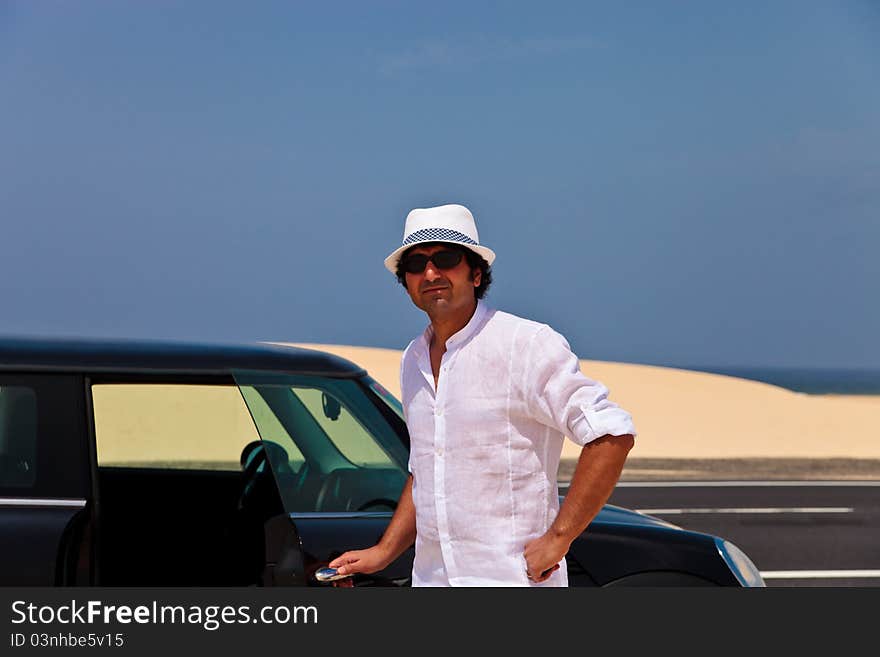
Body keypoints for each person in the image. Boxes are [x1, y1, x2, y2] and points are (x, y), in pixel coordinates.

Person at [329, 203, 636, 586]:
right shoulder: (413, 360)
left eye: (446, 258)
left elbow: (611, 434)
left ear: (476, 273)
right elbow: (426, 468)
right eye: (415, 264)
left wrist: (559, 539)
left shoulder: (524, 345)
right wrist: (384, 552)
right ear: (405, 281)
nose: (430, 273)